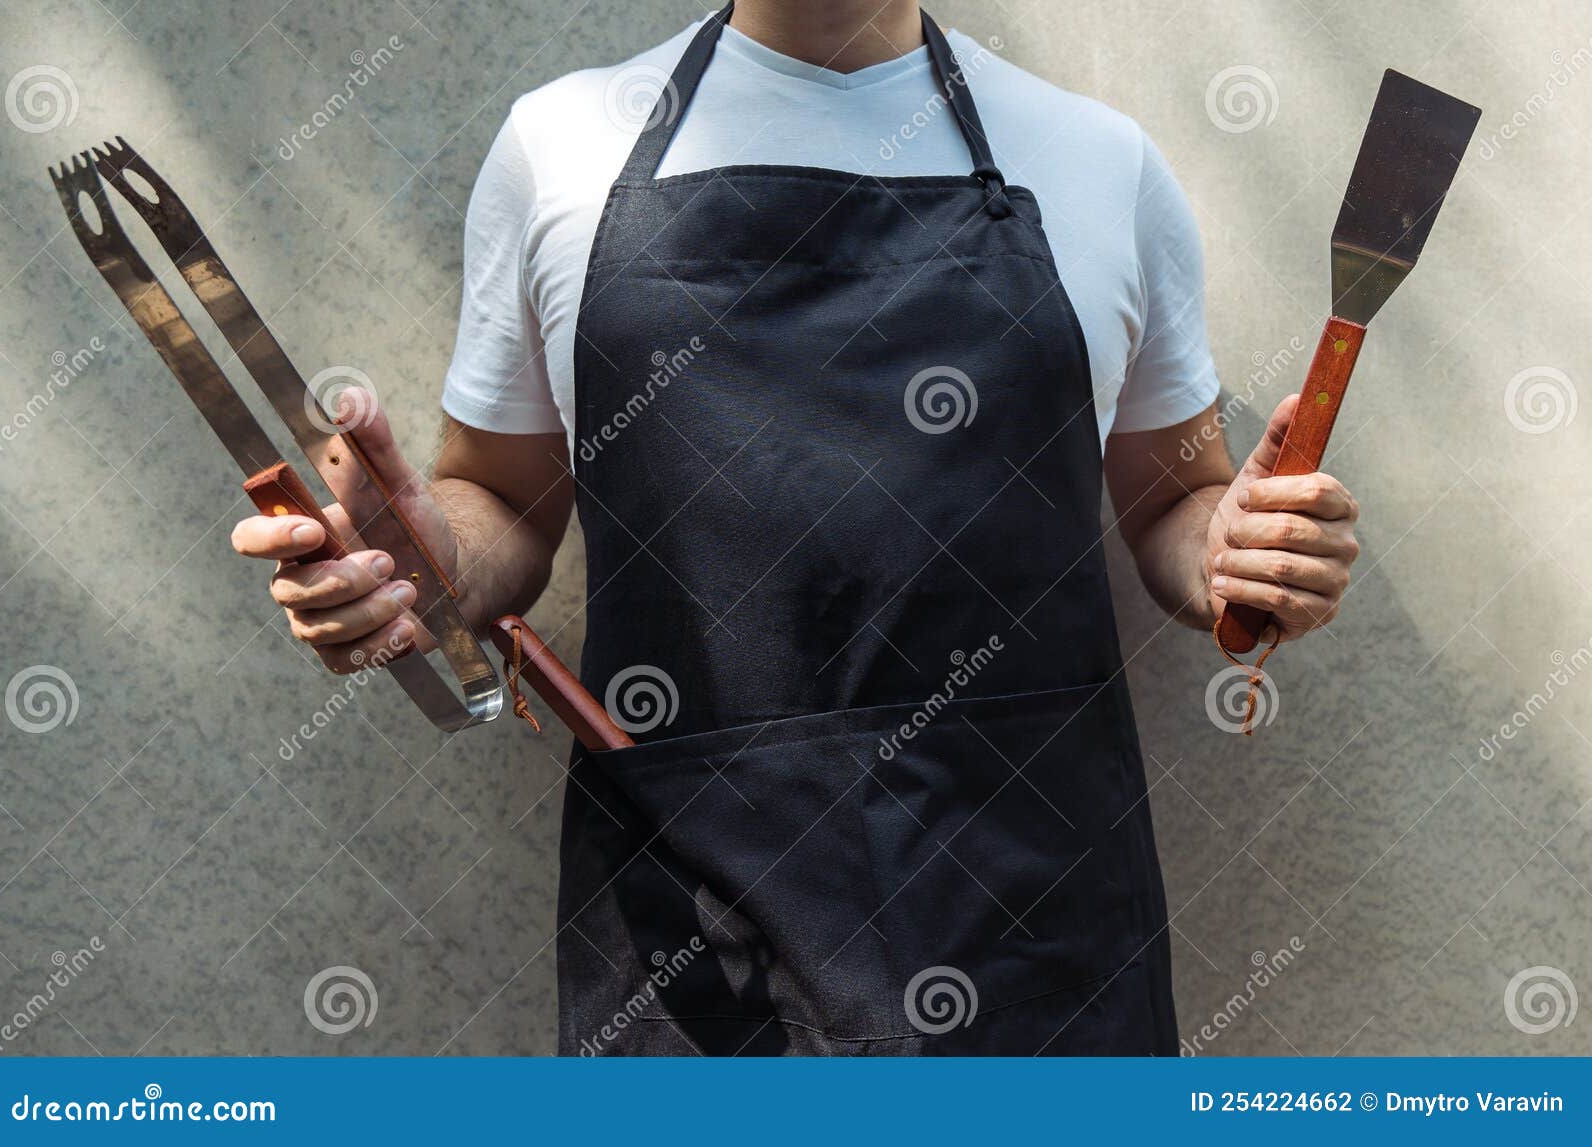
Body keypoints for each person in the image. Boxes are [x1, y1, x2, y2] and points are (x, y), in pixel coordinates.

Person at [230, 1, 1360, 1055]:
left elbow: (1172, 500)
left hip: (1031, 911)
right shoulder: (559, 146)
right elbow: (498, 506)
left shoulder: (1101, 163)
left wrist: (1235, 550)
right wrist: (419, 560)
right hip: (691, 921)